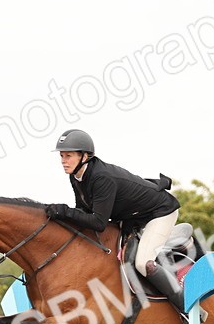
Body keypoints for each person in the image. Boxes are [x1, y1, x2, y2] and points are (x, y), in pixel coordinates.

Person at [44, 129, 186, 313]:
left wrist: (64, 212)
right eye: (62, 156)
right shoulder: (76, 176)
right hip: (132, 216)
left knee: (143, 263)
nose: (63, 161)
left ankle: (188, 308)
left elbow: (98, 223)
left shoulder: (101, 177)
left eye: (68, 156)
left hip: (159, 213)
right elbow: (83, 212)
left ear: (85, 156)